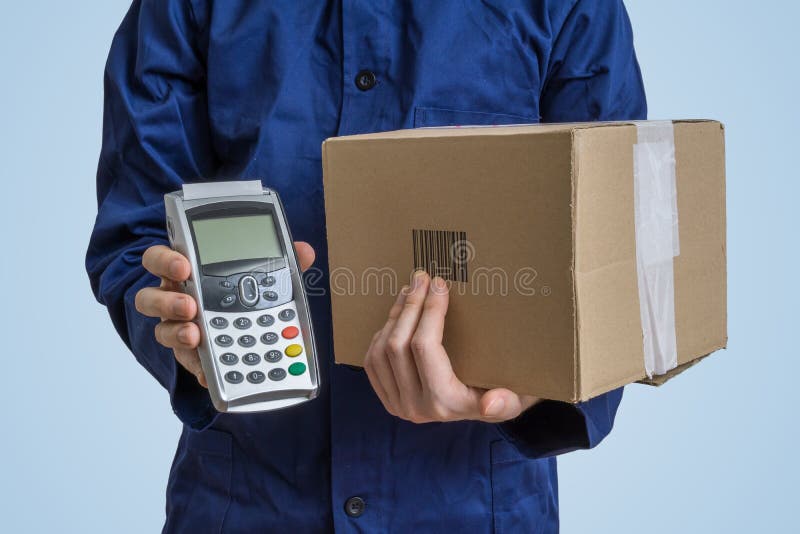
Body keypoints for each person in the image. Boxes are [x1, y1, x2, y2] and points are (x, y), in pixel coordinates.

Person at [86, 0, 646, 531]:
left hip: (477, 505)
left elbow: (618, 245)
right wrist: (178, 329)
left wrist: (538, 390)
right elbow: (139, 229)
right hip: (246, 500)